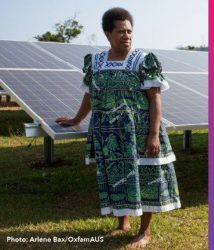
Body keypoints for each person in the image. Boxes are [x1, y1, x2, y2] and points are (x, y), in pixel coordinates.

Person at [55, 7, 180, 248]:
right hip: (108, 132)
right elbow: (91, 94)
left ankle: (144, 232)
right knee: (117, 176)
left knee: (146, 177)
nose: (127, 36)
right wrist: (76, 119)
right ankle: (122, 224)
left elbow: (155, 98)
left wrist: (153, 135)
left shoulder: (143, 61)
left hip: (140, 130)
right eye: (121, 31)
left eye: (130, 31)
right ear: (107, 33)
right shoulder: (96, 62)